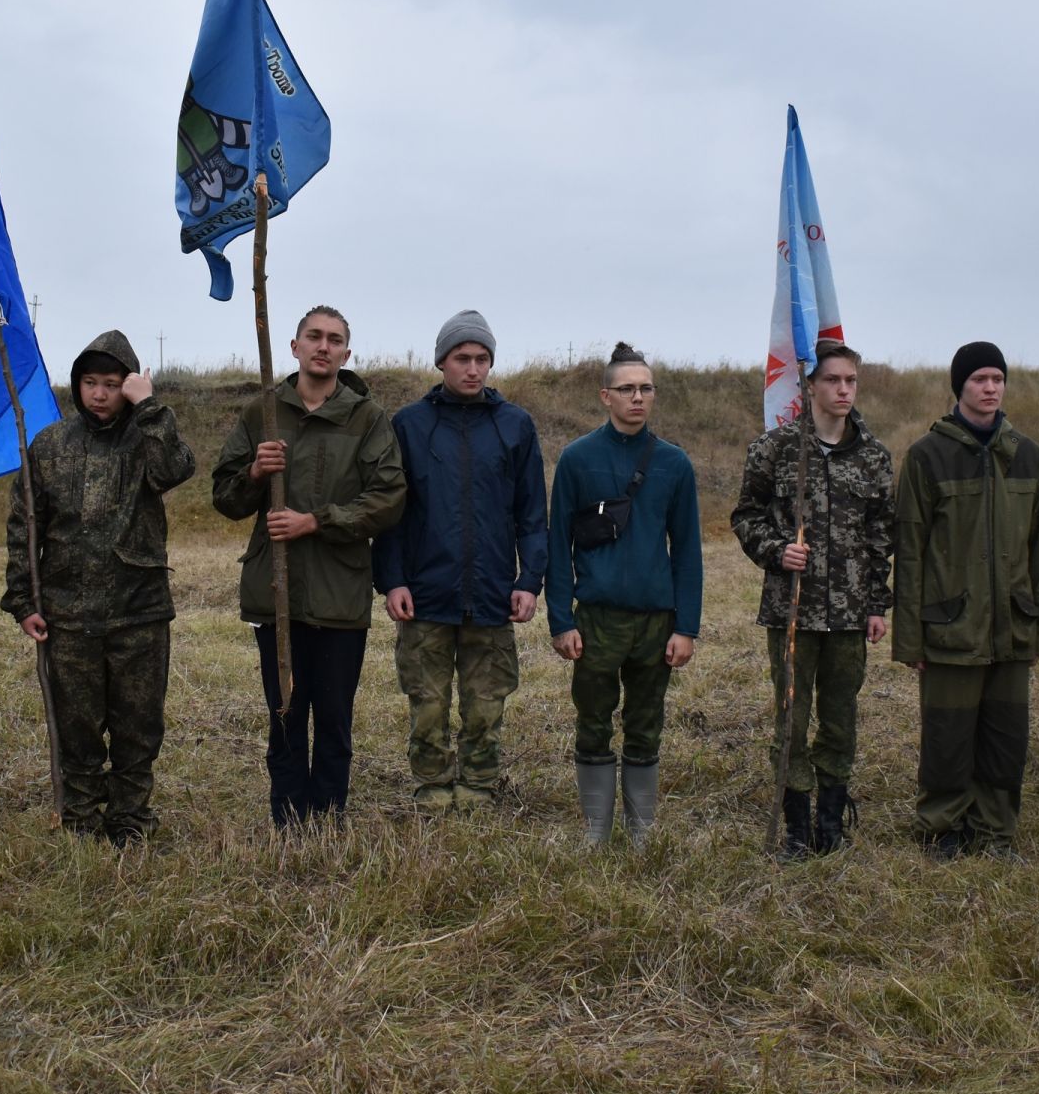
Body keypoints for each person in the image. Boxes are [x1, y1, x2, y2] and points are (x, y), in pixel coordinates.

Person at [211, 306, 406, 827]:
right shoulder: (263, 414)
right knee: (285, 716)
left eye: (335, 339)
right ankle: (289, 819)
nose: (324, 346)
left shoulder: (367, 418)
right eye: (313, 337)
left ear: (346, 353)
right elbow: (225, 499)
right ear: (294, 347)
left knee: (335, 720)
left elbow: (389, 499)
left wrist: (316, 522)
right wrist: (254, 472)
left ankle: (329, 817)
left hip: (340, 596)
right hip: (277, 595)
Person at [3, 331, 195, 844]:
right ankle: (82, 817)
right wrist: (23, 601)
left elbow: (175, 469)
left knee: (137, 727)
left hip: (140, 614)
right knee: (78, 727)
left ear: (128, 387)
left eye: (113, 384)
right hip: (69, 617)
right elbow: (25, 525)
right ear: (78, 385)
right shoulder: (49, 445)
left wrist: (150, 407)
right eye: (91, 383)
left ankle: (130, 818)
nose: (100, 394)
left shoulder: (148, 439)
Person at [371, 311, 547, 812]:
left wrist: (529, 580)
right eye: (462, 358)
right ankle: (431, 785)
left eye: (482, 358)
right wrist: (393, 580)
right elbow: (391, 511)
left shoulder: (515, 425)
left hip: (493, 594)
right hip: (425, 594)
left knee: (486, 702)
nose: (473, 368)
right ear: (441, 361)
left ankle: (478, 784)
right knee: (427, 703)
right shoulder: (409, 424)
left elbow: (532, 512)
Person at [731, 339, 894, 857]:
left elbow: (881, 536)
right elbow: (745, 516)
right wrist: (778, 551)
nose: (844, 390)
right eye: (833, 380)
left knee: (841, 718)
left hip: (848, 616)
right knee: (792, 720)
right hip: (793, 610)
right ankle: (797, 829)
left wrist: (875, 605)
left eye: (851, 381)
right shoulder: (775, 450)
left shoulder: (872, 457)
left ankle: (831, 822)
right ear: (810, 385)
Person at [893, 342, 1039, 860]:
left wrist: (1036, 626)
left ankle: (996, 830)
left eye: (997, 379)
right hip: (949, 626)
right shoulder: (927, 456)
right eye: (980, 379)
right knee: (948, 737)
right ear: (959, 386)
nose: (990, 388)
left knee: (1007, 738)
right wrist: (911, 637)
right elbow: (911, 552)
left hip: (1011, 627)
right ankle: (943, 827)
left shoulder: (1028, 455)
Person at [548, 341, 703, 848]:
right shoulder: (577, 459)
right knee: (592, 719)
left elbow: (687, 551)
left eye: (645, 388)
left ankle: (641, 830)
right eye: (627, 389)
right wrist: (561, 620)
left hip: (656, 621)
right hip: (595, 620)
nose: (638, 397)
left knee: (646, 721)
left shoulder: (674, 465)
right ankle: (596, 828)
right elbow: (557, 544)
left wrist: (686, 626)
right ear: (605, 396)